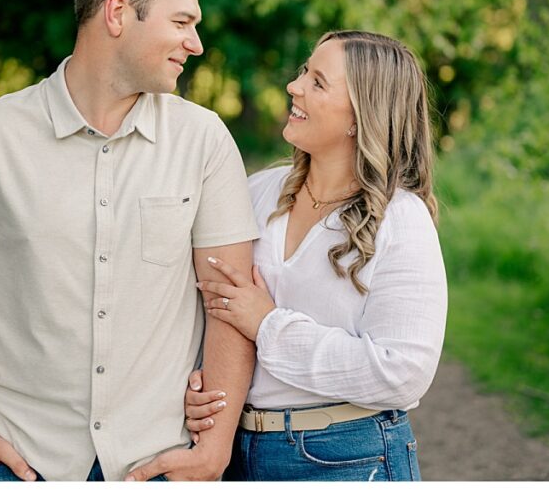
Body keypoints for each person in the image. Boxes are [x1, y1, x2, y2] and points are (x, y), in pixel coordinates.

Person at [0, 0, 259, 481]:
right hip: (15, 458)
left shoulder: (204, 141)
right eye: (182, 21)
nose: (196, 43)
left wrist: (215, 445)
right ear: (118, 12)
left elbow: (230, 300)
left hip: (159, 460)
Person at [154, 30, 448, 482]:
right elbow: (213, 310)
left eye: (318, 82)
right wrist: (201, 379)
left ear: (360, 116)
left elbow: (403, 373)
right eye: (302, 73)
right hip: (236, 452)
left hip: (345, 456)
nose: (294, 86)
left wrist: (269, 325)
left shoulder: (401, 220)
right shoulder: (256, 193)